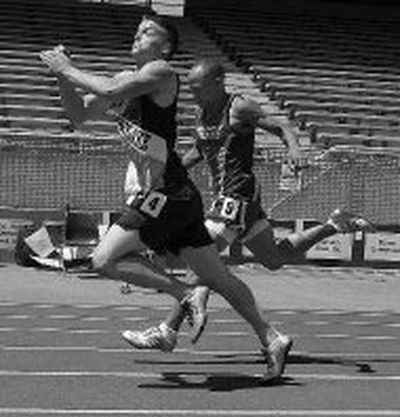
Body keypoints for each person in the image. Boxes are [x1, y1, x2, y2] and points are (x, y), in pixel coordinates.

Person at [39, 15, 294, 382]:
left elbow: (107, 94)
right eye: (137, 29)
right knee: (218, 278)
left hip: (164, 194)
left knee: (103, 260)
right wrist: (62, 77)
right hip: (178, 195)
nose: (138, 34)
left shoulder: (162, 73)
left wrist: (66, 66)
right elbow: (78, 114)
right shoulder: (125, 82)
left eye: (148, 31)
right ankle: (273, 338)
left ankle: (184, 294)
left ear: (166, 47)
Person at [124, 57, 373, 350]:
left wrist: (294, 150)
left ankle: (168, 330)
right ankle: (335, 225)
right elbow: (200, 150)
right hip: (231, 198)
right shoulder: (200, 111)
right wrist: (172, 171)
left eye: (198, 87)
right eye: (189, 88)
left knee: (199, 258)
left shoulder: (239, 106)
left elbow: (282, 126)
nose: (193, 93)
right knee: (273, 258)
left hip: (237, 195)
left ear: (218, 83)